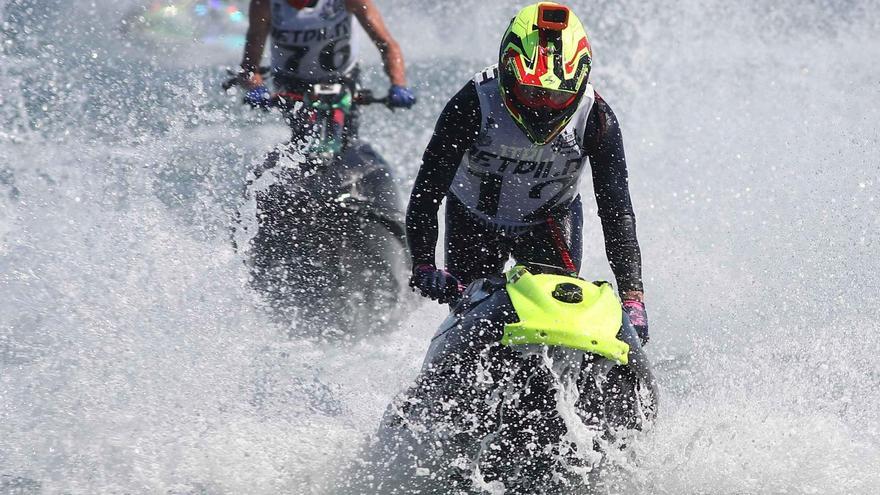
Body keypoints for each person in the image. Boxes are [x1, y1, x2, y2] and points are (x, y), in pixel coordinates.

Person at [405, 2, 649, 343]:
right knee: (476, 327)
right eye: (532, 93)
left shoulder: (596, 118)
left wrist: (632, 298)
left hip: (549, 222)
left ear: (578, 84)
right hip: (473, 222)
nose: (543, 106)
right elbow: (427, 192)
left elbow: (617, 211)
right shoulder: (473, 102)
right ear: (508, 72)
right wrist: (424, 266)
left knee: (554, 321)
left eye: (556, 96)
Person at [233, 0, 415, 114]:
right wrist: (256, 89)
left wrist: (399, 84)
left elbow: (387, 44)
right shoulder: (264, 4)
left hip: (343, 80)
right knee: (303, 134)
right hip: (292, 85)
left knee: (344, 135)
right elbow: (249, 68)